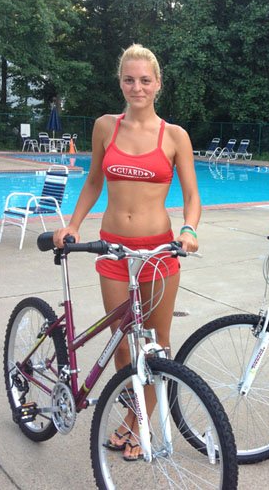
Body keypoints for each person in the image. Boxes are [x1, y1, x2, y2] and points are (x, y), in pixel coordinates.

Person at [53, 43, 201, 460]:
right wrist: (74, 224)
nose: (137, 87)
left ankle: (139, 425)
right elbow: (94, 182)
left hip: (159, 252)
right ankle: (134, 412)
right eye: (129, 79)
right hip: (113, 249)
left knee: (155, 345)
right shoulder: (105, 127)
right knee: (121, 344)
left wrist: (189, 229)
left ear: (158, 85)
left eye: (145, 80)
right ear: (121, 82)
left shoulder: (175, 136)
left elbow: (192, 195)